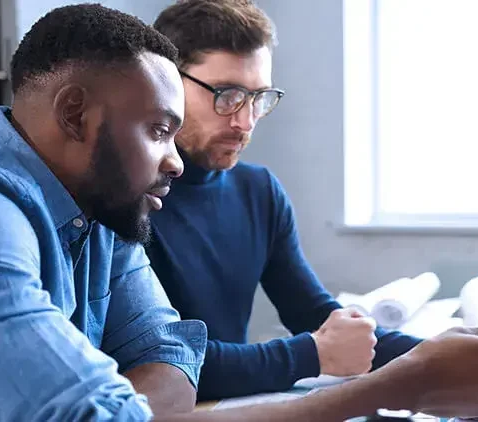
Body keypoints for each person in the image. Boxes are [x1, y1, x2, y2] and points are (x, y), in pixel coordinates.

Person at [0, 4, 478, 421]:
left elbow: (171, 360)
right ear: (73, 114)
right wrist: (392, 386)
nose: (173, 160)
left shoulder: (104, 219)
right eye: (156, 129)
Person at [146, 0, 422, 401]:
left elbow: (312, 313)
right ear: (166, 81)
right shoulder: (130, 199)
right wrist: (311, 354)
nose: (245, 121)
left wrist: (434, 352)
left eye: (258, 97)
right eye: (226, 95)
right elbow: (163, 364)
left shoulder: (258, 191)